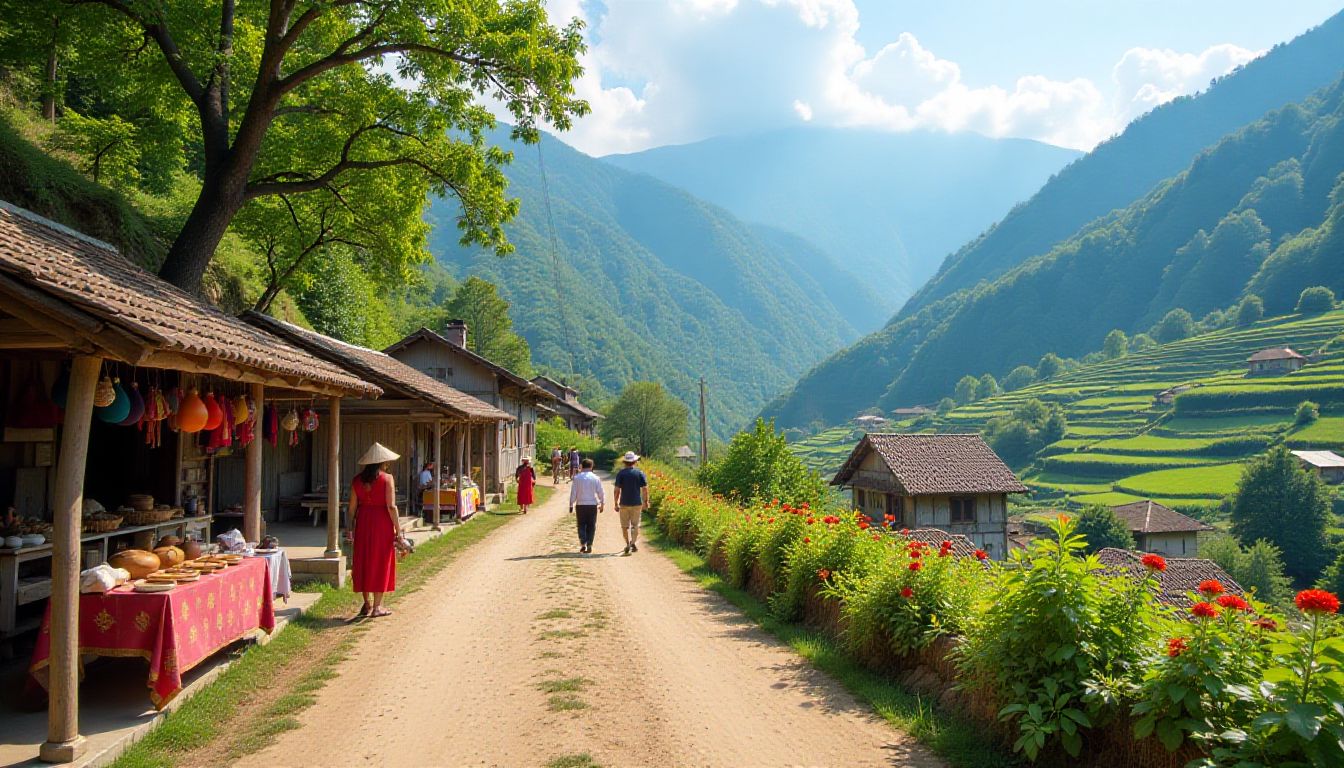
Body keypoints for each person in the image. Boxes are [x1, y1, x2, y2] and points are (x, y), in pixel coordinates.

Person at [345, 442, 403, 618]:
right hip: (382, 523)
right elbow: (391, 506)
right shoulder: (387, 479)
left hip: (363, 522)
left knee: (363, 560)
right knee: (381, 561)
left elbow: (351, 508)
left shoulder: (356, 480)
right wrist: (398, 530)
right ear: (383, 462)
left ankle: (367, 604)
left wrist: (350, 528)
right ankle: (378, 607)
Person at [613, 451, 648, 555]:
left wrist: (615, 503)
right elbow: (645, 489)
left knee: (624, 526)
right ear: (634, 462)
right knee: (635, 525)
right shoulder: (639, 473)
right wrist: (646, 501)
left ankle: (628, 543)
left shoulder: (621, 474)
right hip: (637, 503)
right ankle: (633, 542)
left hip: (624, 503)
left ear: (625, 462)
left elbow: (617, 490)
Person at [569, 458, 605, 553]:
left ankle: (583, 543)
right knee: (591, 525)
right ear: (591, 466)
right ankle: (589, 543)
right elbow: (600, 492)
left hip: (580, 504)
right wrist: (602, 503)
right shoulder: (595, 478)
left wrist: (571, 504)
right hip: (592, 504)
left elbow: (573, 492)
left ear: (582, 466)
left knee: (581, 524)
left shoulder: (577, 478)